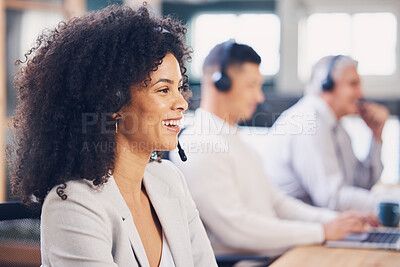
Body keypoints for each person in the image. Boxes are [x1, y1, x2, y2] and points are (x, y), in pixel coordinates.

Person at [9, 5, 217, 266]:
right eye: (163, 90)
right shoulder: (73, 204)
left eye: (179, 87)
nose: (182, 103)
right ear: (112, 103)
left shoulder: (169, 179)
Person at [170, 41, 378, 257]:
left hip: (275, 255)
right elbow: (236, 228)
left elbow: (277, 203)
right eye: (252, 85)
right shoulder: (199, 145)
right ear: (220, 83)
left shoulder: (236, 141)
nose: (259, 97)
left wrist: (333, 221)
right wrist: (321, 231)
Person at [265, 55, 390, 212]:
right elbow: (333, 199)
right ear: (327, 85)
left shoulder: (337, 127)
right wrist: (388, 205)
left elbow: (361, 184)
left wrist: (376, 136)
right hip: (298, 230)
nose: (361, 94)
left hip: (322, 226)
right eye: (353, 84)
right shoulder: (308, 122)